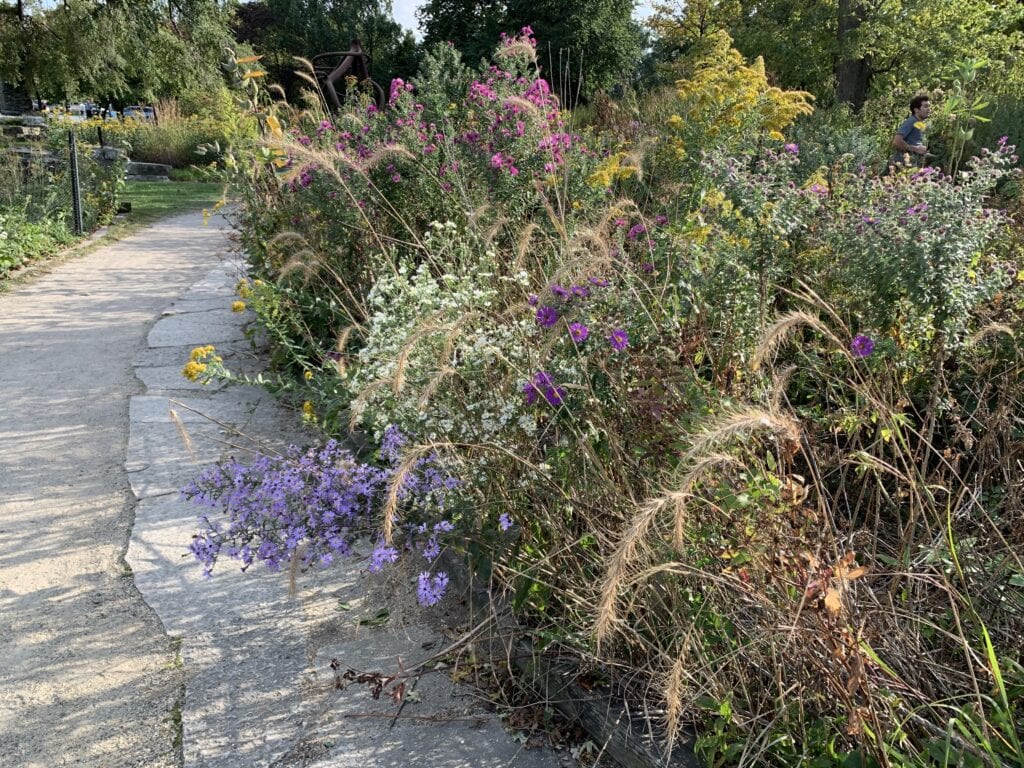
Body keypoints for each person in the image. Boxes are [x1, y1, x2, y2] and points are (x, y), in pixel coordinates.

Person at [891, 94, 931, 167]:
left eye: (929, 106)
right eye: (925, 106)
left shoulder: (920, 123)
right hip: (903, 164)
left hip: (912, 163)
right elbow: (896, 141)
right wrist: (915, 149)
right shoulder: (911, 121)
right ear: (916, 110)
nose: (929, 109)